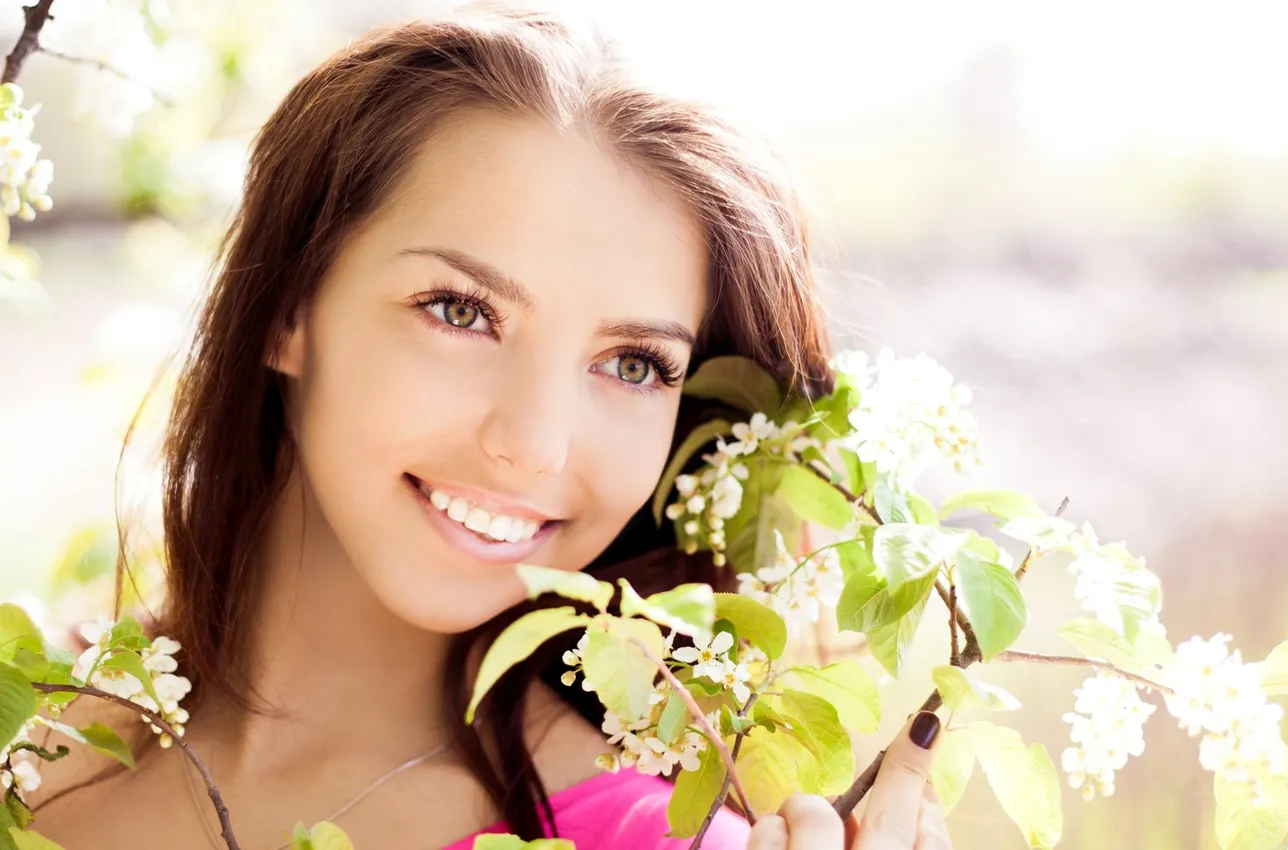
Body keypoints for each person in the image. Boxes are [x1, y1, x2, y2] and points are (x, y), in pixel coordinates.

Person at [29, 5, 954, 849]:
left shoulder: (646, 839)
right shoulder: (27, 722)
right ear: (288, 305)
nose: (536, 444)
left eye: (633, 365)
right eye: (462, 311)